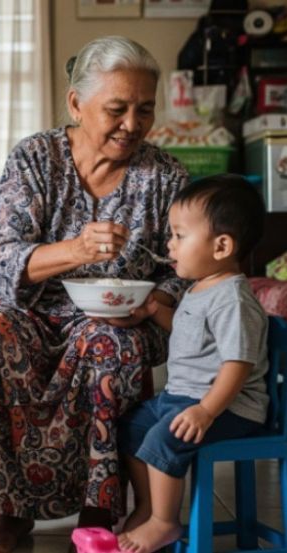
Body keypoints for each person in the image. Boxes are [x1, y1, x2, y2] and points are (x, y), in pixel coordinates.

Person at [0, 35, 190, 552]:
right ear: (77, 104)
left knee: (110, 348)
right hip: (29, 311)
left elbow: (183, 270)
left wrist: (154, 303)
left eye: (144, 109)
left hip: (121, 323)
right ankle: (12, 511)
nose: (133, 124)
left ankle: (99, 509)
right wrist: (77, 249)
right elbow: (3, 261)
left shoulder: (166, 177)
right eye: (117, 108)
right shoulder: (36, 159)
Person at [117, 175, 268, 553]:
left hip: (229, 406)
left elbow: (238, 364)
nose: (170, 244)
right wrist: (155, 311)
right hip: (184, 397)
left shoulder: (232, 299)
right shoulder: (200, 288)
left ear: (221, 246)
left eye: (180, 235)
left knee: (164, 439)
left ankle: (164, 522)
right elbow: (189, 334)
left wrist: (206, 410)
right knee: (132, 426)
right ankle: (150, 506)